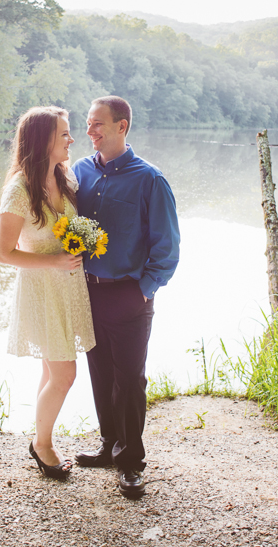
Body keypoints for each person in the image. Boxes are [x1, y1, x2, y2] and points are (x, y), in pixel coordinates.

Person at [71, 95, 180, 498]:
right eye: (87, 124)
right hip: (86, 292)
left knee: (129, 380)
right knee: (99, 372)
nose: (90, 131)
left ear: (122, 126)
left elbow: (166, 248)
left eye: (98, 124)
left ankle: (131, 461)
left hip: (129, 295)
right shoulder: (78, 171)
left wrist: (143, 290)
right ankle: (108, 446)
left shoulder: (150, 179)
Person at [0, 106, 96, 480]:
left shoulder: (64, 176)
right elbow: (4, 253)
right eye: (65, 134)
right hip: (41, 290)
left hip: (67, 290)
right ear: (44, 141)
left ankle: (41, 437)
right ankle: (42, 445)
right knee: (65, 375)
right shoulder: (19, 188)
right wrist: (54, 262)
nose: (72, 139)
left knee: (52, 370)